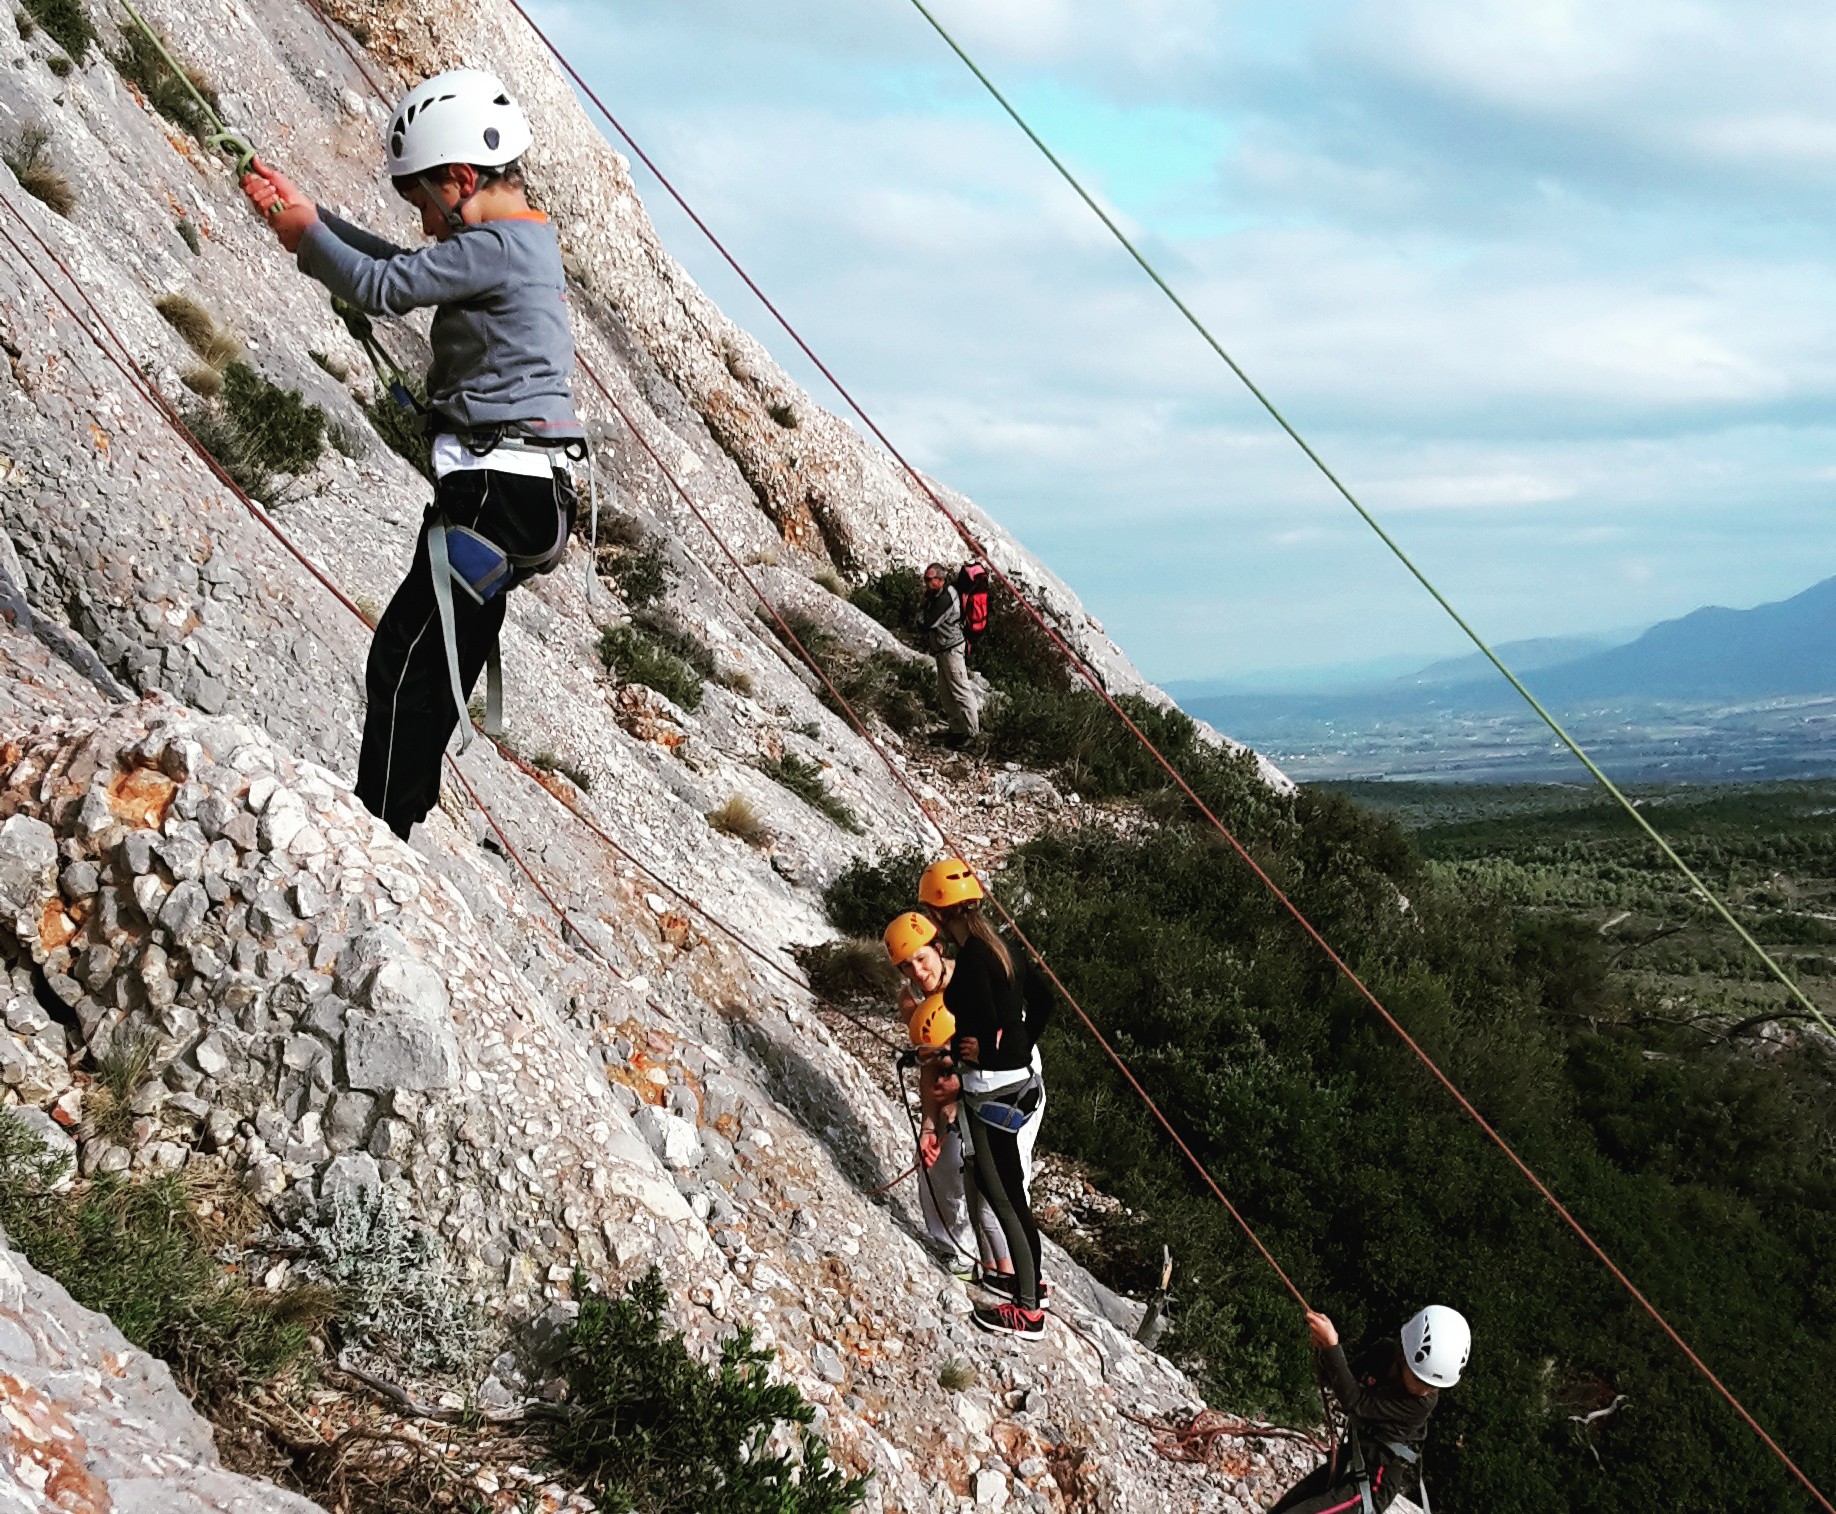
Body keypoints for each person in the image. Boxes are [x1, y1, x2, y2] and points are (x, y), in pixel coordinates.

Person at [240, 69, 583, 839]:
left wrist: (306, 236)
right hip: (523, 494)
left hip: (497, 487)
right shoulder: (518, 242)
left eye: (424, 201)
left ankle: (377, 835)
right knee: (429, 664)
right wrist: (312, 218)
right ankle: (400, 821)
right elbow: (396, 265)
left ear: (461, 179)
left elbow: (382, 287)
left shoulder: (493, 248)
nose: (426, 223)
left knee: (402, 660)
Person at [921, 857, 1046, 1337]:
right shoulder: (1001, 945)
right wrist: (1010, 1045)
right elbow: (1040, 1003)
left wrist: (987, 1052)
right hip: (1014, 1081)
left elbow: (986, 1018)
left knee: (1005, 1197)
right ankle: (1029, 1289)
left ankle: (1028, 1309)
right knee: (1008, 1193)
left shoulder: (973, 956)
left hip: (991, 1090)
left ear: (936, 914)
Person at [1270, 1304, 1471, 1514]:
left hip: (1374, 1483)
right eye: (1421, 1380)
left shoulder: (1421, 1404)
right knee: (1284, 1509)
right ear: (1403, 1355)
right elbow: (1339, 1380)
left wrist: (1332, 1347)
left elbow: (1355, 1401)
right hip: (1351, 1460)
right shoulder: (1383, 1353)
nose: (1426, 1390)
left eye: (1434, 1387)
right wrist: (1324, 1351)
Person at [920, 562, 979, 748]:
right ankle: (957, 730)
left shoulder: (945, 598)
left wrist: (921, 615)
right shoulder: (938, 595)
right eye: (926, 579)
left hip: (952, 649)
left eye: (930, 579)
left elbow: (928, 623)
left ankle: (972, 733)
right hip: (943, 649)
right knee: (946, 693)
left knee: (960, 691)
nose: (927, 583)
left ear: (940, 579)